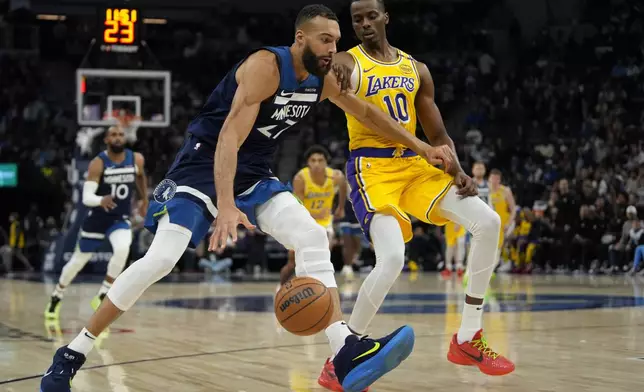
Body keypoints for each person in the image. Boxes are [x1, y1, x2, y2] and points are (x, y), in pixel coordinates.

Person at [41, 5, 454, 392]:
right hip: (203, 168)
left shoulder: (325, 80)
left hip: (254, 173)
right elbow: (227, 138)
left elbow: (369, 114)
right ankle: (73, 351)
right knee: (163, 259)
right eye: (326, 40)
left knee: (311, 237)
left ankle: (343, 349)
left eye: (336, 40)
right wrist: (225, 204)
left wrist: (423, 147)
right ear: (300, 38)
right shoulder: (266, 67)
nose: (335, 49)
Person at [320, 0, 515, 388]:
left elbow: (438, 133)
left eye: (371, 16)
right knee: (392, 258)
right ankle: (339, 358)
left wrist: (458, 170)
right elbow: (344, 84)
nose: (364, 24)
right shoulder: (348, 62)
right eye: (356, 19)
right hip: (372, 169)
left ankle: (467, 338)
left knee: (489, 222)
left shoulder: (416, 69)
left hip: (414, 166)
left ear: (386, 17)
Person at [44, 126, 147, 319]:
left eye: (120, 135)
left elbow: (141, 177)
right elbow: (86, 197)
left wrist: (144, 200)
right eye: (113, 135)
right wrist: (101, 200)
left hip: (119, 219)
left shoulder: (136, 159)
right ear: (107, 140)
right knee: (76, 263)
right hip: (97, 220)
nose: (117, 138)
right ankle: (57, 295)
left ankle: (102, 294)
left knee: (123, 248)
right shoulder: (98, 163)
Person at [279, 145, 347, 285]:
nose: (317, 164)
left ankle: (317, 291)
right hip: (303, 222)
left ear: (326, 162)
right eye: (313, 160)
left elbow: (343, 185)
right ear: (308, 162)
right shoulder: (300, 178)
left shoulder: (335, 176)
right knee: (292, 263)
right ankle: (280, 288)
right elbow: (297, 207)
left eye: (320, 160)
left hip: (325, 224)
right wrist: (315, 213)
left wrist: (340, 207)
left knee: (321, 260)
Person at [488, 169, 516, 271]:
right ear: (489, 179)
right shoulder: (485, 191)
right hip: (490, 224)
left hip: (503, 224)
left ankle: (492, 269)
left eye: (497, 179)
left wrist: (509, 223)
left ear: (500, 180)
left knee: (498, 247)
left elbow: (513, 209)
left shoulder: (505, 191)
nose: (495, 181)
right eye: (493, 178)